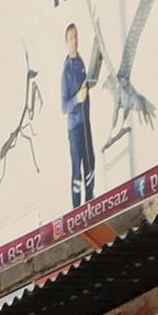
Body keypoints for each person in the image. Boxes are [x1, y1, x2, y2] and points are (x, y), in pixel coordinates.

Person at [60, 22, 96, 209]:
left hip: (85, 122)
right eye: (71, 38)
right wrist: (78, 99)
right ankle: (76, 211)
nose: (75, 41)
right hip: (74, 127)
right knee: (77, 169)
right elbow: (64, 106)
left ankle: (91, 202)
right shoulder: (66, 70)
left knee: (90, 163)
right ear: (66, 42)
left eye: (76, 37)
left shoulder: (81, 62)